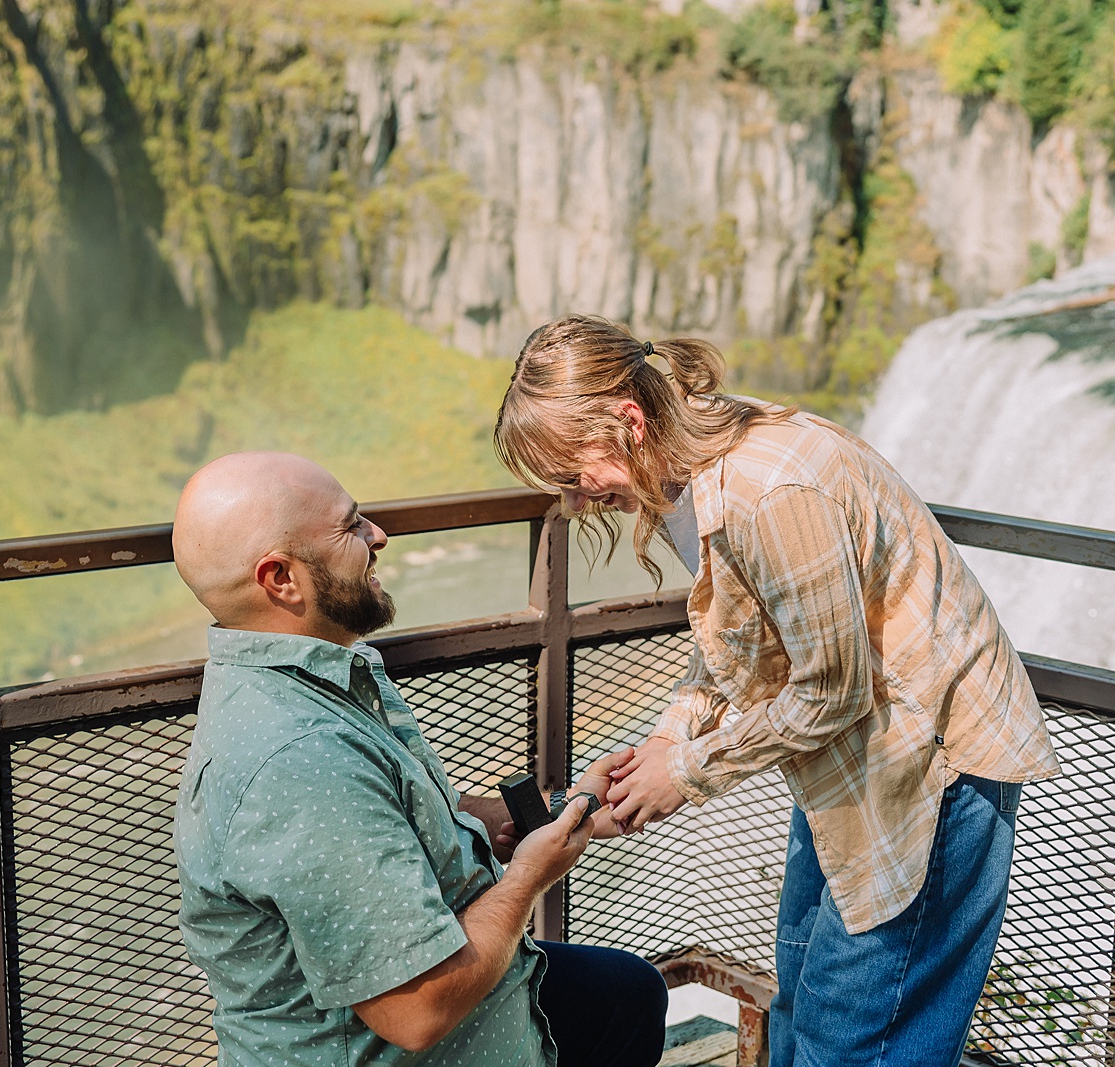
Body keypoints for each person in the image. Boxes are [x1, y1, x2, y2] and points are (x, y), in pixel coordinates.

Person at [493, 316, 1060, 1067]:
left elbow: (832, 688)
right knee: (802, 998)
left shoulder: (768, 491)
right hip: (850, 761)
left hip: (929, 764)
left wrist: (686, 772)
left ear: (628, 421)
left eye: (573, 476)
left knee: (857, 1032)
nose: (574, 502)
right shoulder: (684, 467)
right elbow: (737, 641)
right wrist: (666, 742)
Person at [170, 451, 667, 1067]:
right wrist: (529, 877)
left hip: (481, 1007)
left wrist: (560, 811)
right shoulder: (301, 763)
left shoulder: (318, 674)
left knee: (627, 995)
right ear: (281, 579)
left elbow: (401, 815)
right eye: (351, 526)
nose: (378, 535)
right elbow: (417, 1009)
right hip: (407, 1039)